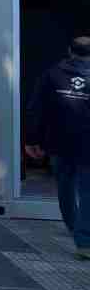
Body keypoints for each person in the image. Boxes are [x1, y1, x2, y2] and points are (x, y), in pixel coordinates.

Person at [26, 35, 90, 259]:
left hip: (59, 141)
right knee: (87, 190)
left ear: (70, 51)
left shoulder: (52, 74)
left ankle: (74, 228)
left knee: (65, 185)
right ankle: (84, 242)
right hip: (87, 143)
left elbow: (35, 108)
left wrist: (32, 140)